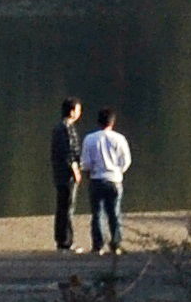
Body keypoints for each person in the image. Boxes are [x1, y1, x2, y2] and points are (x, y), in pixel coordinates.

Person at [80, 107, 132, 253]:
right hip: (114, 180)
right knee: (114, 213)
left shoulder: (90, 139)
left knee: (97, 214)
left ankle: (98, 245)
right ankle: (115, 244)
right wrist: (118, 171)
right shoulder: (119, 138)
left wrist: (89, 173)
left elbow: (86, 162)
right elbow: (126, 161)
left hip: (96, 179)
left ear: (98, 122)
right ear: (112, 122)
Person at [49, 95, 84, 250]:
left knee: (62, 207)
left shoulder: (59, 127)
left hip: (59, 173)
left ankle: (61, 239)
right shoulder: (66, 128)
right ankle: (66, 241)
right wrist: (75, 169)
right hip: (66, 174)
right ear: (71, 111)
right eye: (78, 109)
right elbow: (68, 151)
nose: (79, 113)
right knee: (68, 207)